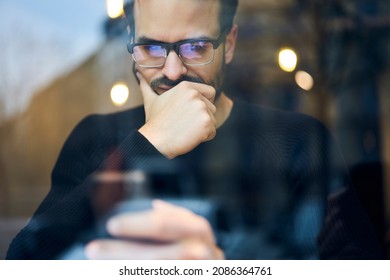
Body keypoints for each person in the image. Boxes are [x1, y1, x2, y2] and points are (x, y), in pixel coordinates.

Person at [6, 0, 384, 260]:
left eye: (195, 47)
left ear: (230, 44)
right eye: (151, 48)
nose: (172, 71)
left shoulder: (298, 140)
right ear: (131, 45)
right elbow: (25, 261)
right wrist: (148, 143)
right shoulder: (96, 139)